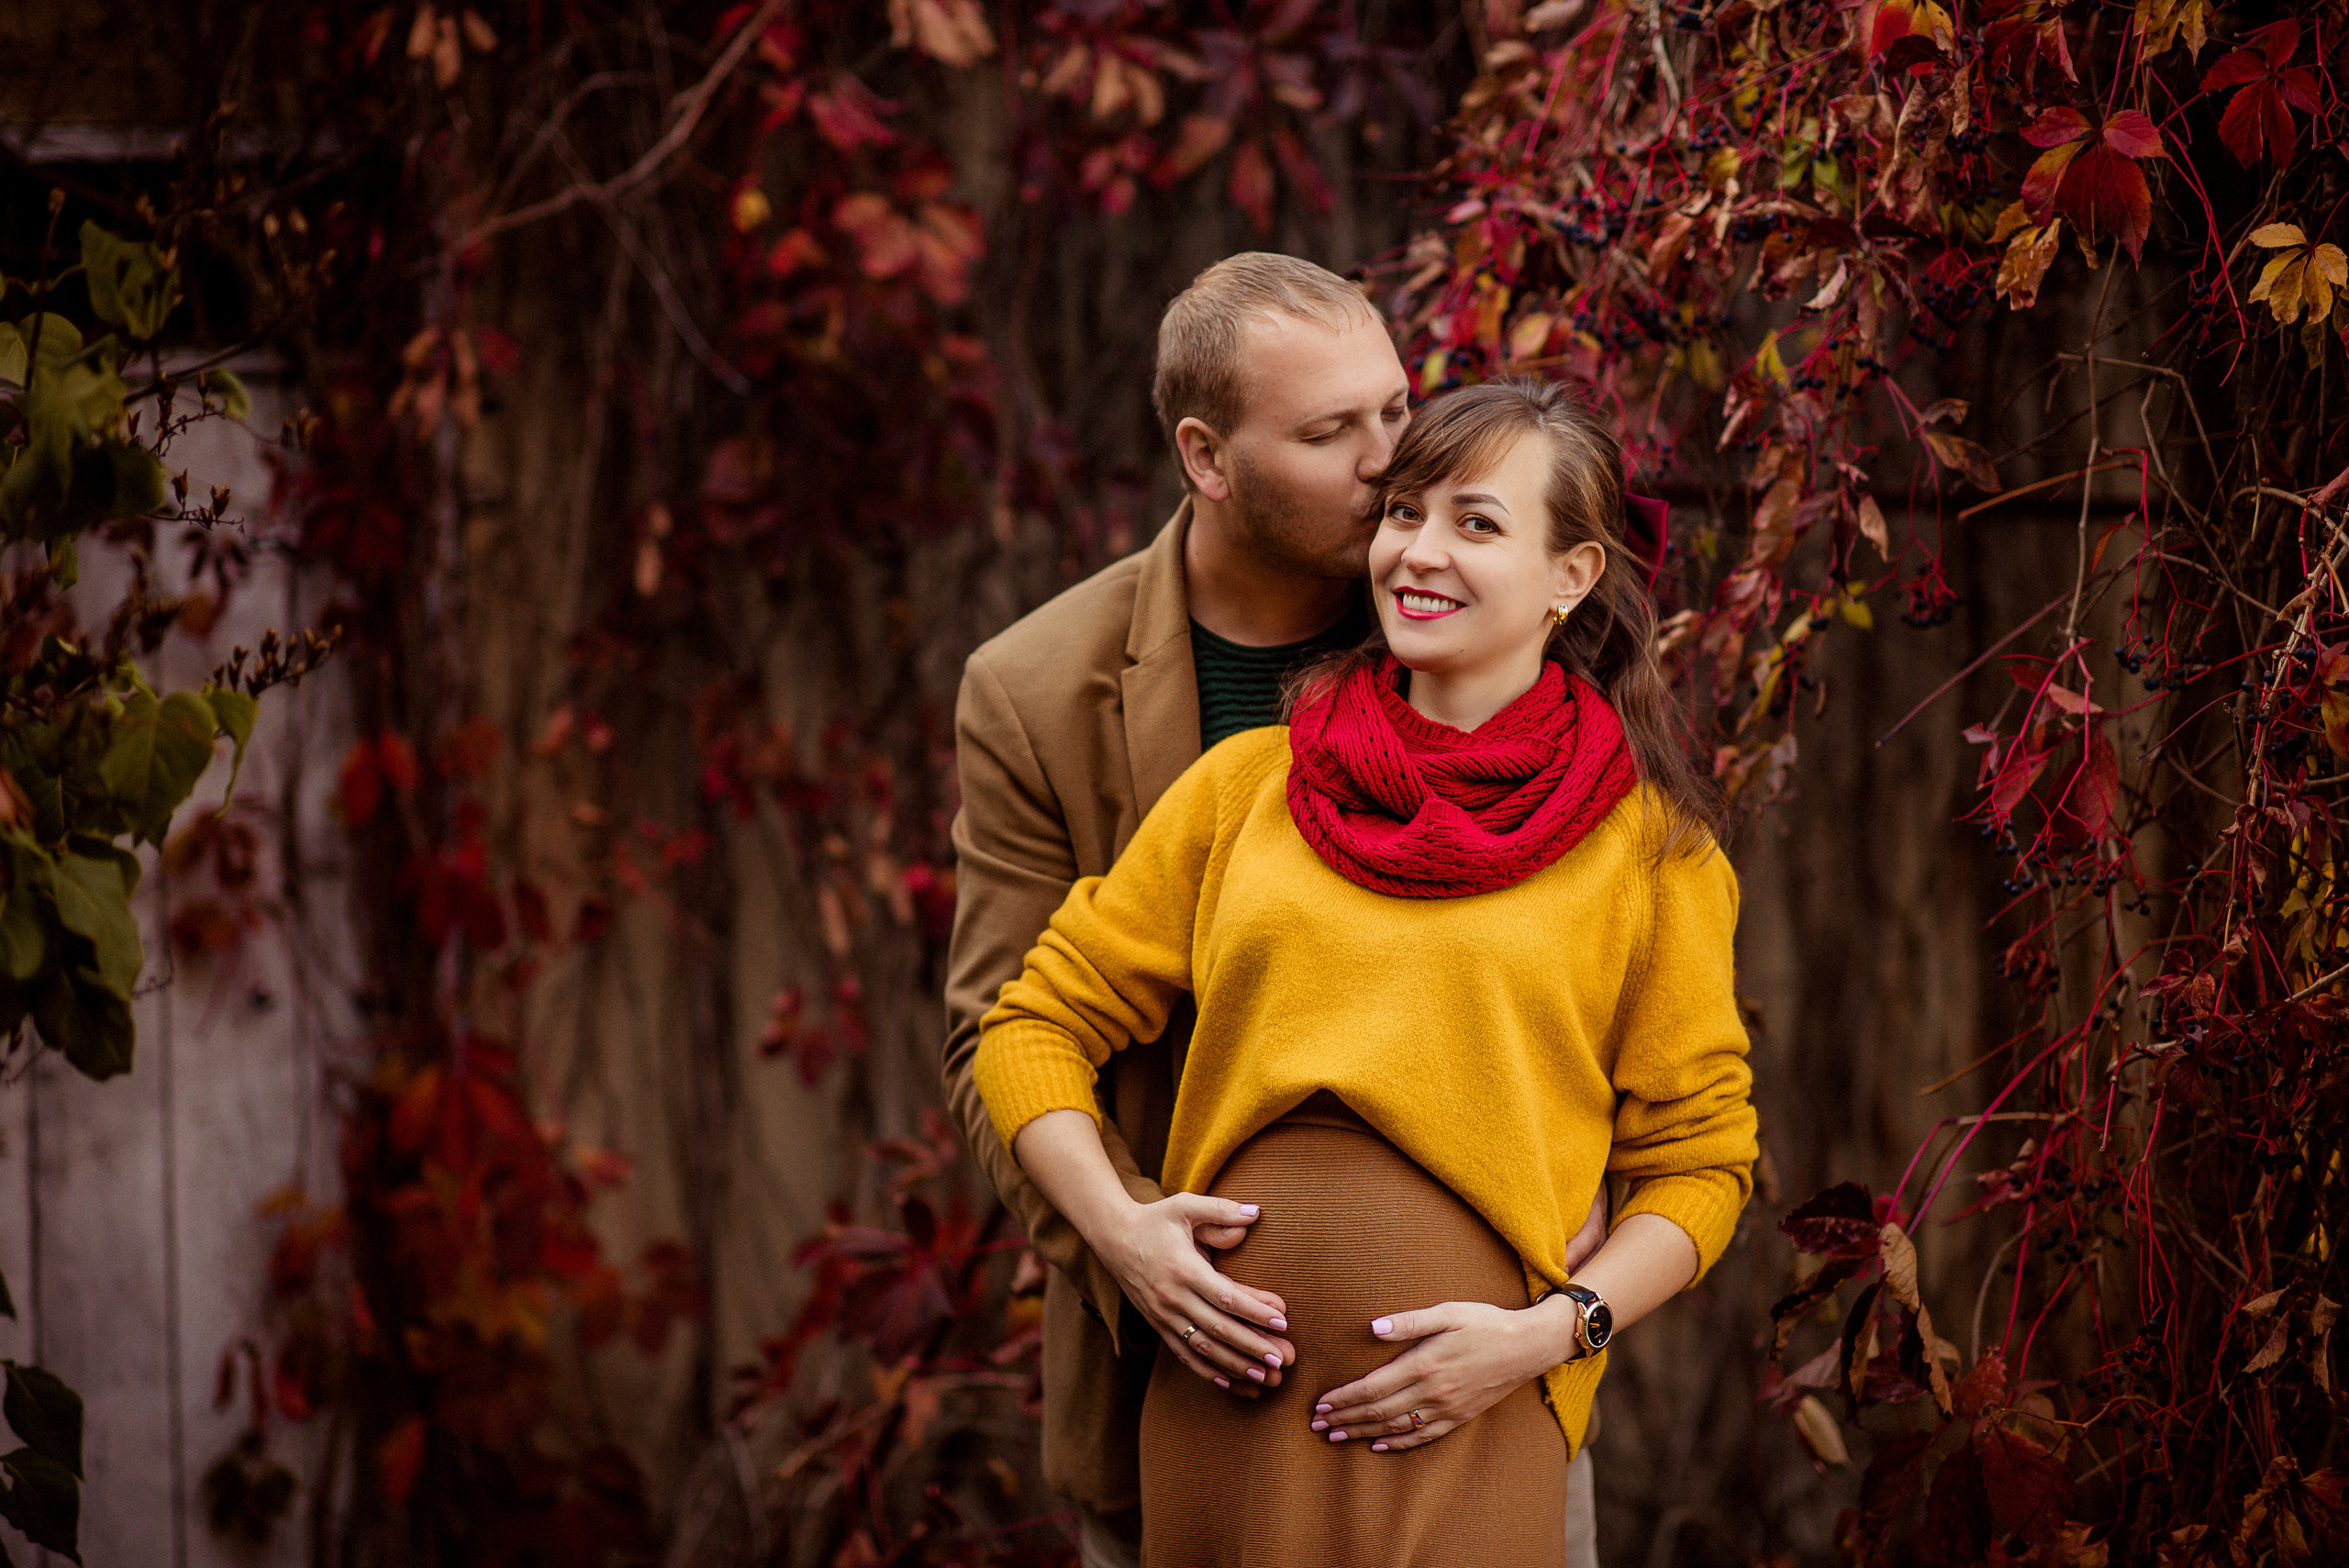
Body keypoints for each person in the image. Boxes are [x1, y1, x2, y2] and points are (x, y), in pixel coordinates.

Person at [972, 379, 1758, 1565]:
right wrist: (1127, 1233)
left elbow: (1700, 1162)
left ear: (1573, 575)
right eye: (1402, 513)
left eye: (1476, 523)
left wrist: (1553, 1334)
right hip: (1222, 1419)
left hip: (1476, 1416)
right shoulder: (1248, 789)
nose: (1417, 551)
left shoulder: (1653, 853)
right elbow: (1030, 1023)